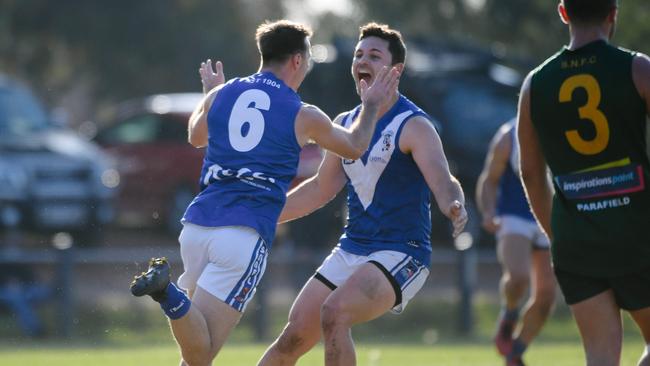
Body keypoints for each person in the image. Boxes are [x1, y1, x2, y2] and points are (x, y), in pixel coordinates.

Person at [129, 20, 399, 366]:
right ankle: (167, 292)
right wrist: (372, 105)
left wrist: (213, 94)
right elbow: (355, 146)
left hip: (196, 227)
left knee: (194, 352)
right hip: (242, 234)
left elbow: (196, 137)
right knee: (201, 353)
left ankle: (168, 293)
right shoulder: (303, 112)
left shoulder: (222, 94)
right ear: (297, 61)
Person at [254, 23, 467, 366]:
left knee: (334, 312)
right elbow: (321, 188)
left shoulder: (413, 124)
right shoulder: (346, 123)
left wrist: (453, 204)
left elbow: (443, 181)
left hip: (402, 252)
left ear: (395, 71)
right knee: (292, 336)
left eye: (374, 55)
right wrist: (265, 213)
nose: (362, 61)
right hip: (352, 248)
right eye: (358, 54)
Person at [517, 1, 650, 365]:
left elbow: (530, 172)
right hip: (638, 234)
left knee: (600, 357)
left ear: (563, 13)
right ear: (613, 13)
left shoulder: (535, 83)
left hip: (576, 242)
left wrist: (557, 234)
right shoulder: (637, 68)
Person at [476, 120, 556, 366]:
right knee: (519, 277)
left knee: (546, 298)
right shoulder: (509, 136)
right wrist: (488, 211)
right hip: (514, 217)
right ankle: (509, 314)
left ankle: (516, 352)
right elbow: (489, 180)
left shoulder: (563, 129)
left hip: (551, 218)